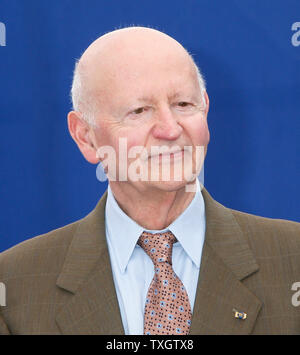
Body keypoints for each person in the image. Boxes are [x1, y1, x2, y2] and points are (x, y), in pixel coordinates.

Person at [0, 26, 300, 335]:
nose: (170, 129)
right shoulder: (13, 288)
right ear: (85, 136)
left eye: (183, 104)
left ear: (205, 110)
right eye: (139, 111)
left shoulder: (293, 260)